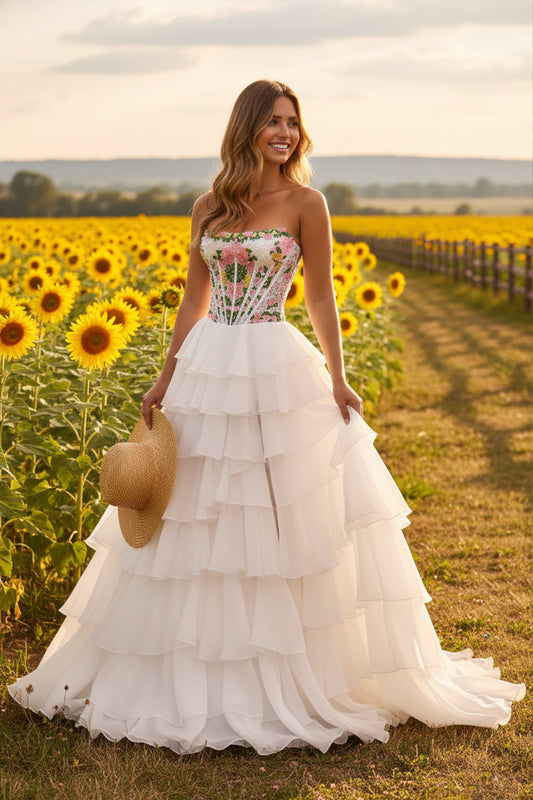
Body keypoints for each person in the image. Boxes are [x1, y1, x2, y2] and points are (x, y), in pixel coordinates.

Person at [8, 79, 525, 755]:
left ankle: (286, 670)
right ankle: (184, 671)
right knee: (194, 513)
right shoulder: (209, 206)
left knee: (276, 513)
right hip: (207, 367)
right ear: (247, 128)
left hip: (273, 360)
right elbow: (192, 303)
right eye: (272, 121)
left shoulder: (307, 203)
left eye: (292, 122)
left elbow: (318, 299)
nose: (284, 132)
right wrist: (163, 379)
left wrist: (338, 377)